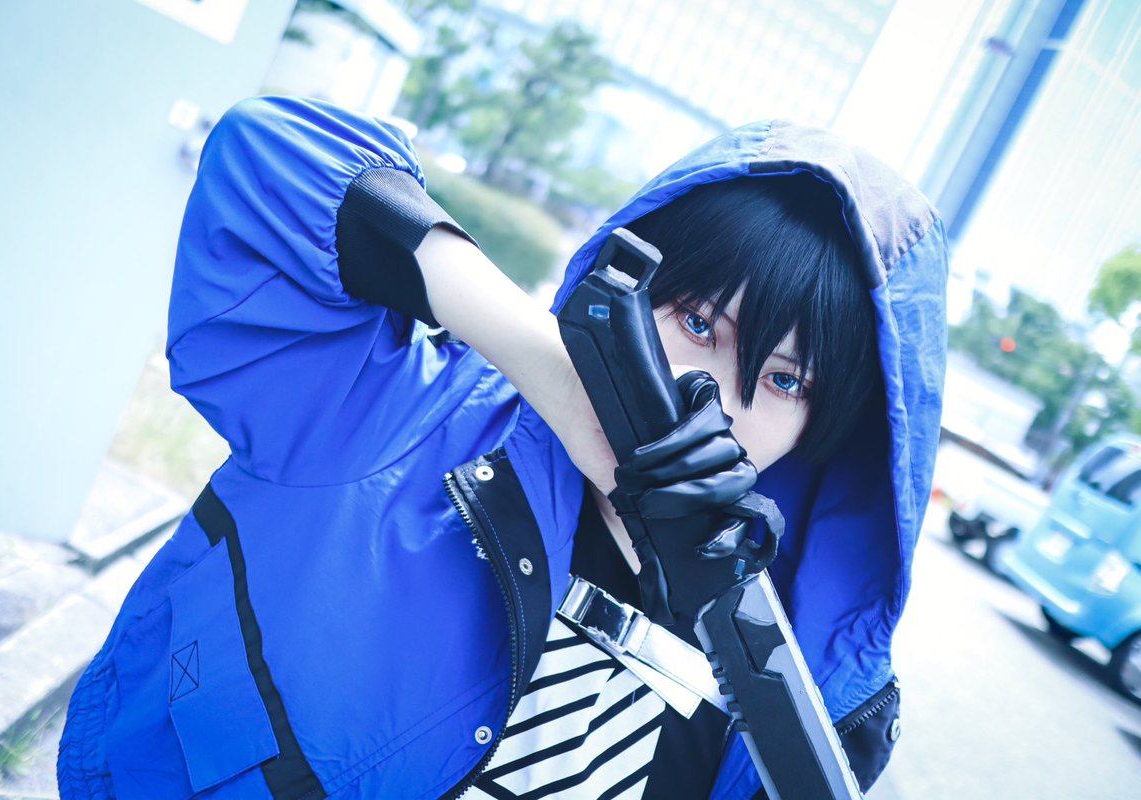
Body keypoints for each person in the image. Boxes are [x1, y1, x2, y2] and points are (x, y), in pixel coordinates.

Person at [57, 96, 946, 799]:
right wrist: (554, 371)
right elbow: (268, 157)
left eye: (786, 381)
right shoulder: (403, 417)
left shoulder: (794, 680)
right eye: (699, 323)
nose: (716, 397)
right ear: (627, 287)